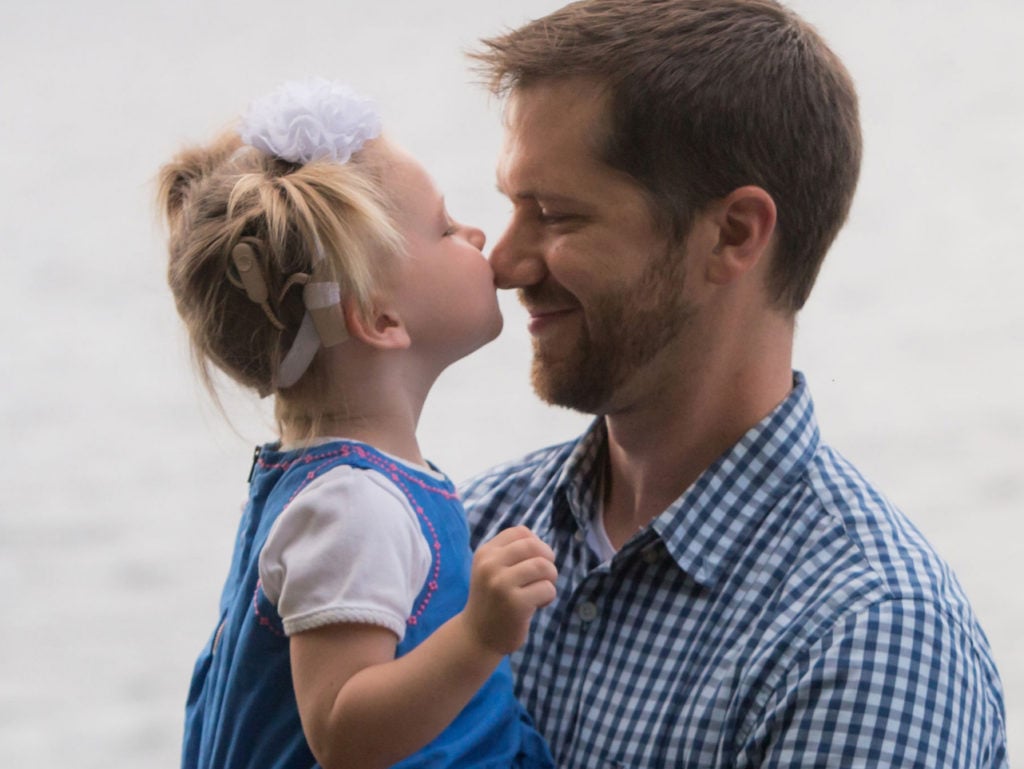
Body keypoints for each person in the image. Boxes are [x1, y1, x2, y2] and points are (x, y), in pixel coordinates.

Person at [461, 1, 1009, 767]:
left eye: (554, 215)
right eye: (512, 207)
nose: (504, 264)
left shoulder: (866, 637)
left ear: (734, 233)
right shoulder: (467, 525)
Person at [158, 78, 557, 769]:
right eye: (444, 226)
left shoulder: (336, 485)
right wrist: (479, 637)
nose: (477, 234)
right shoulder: (352, 504)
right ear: (378, 318)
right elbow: (341, 729)